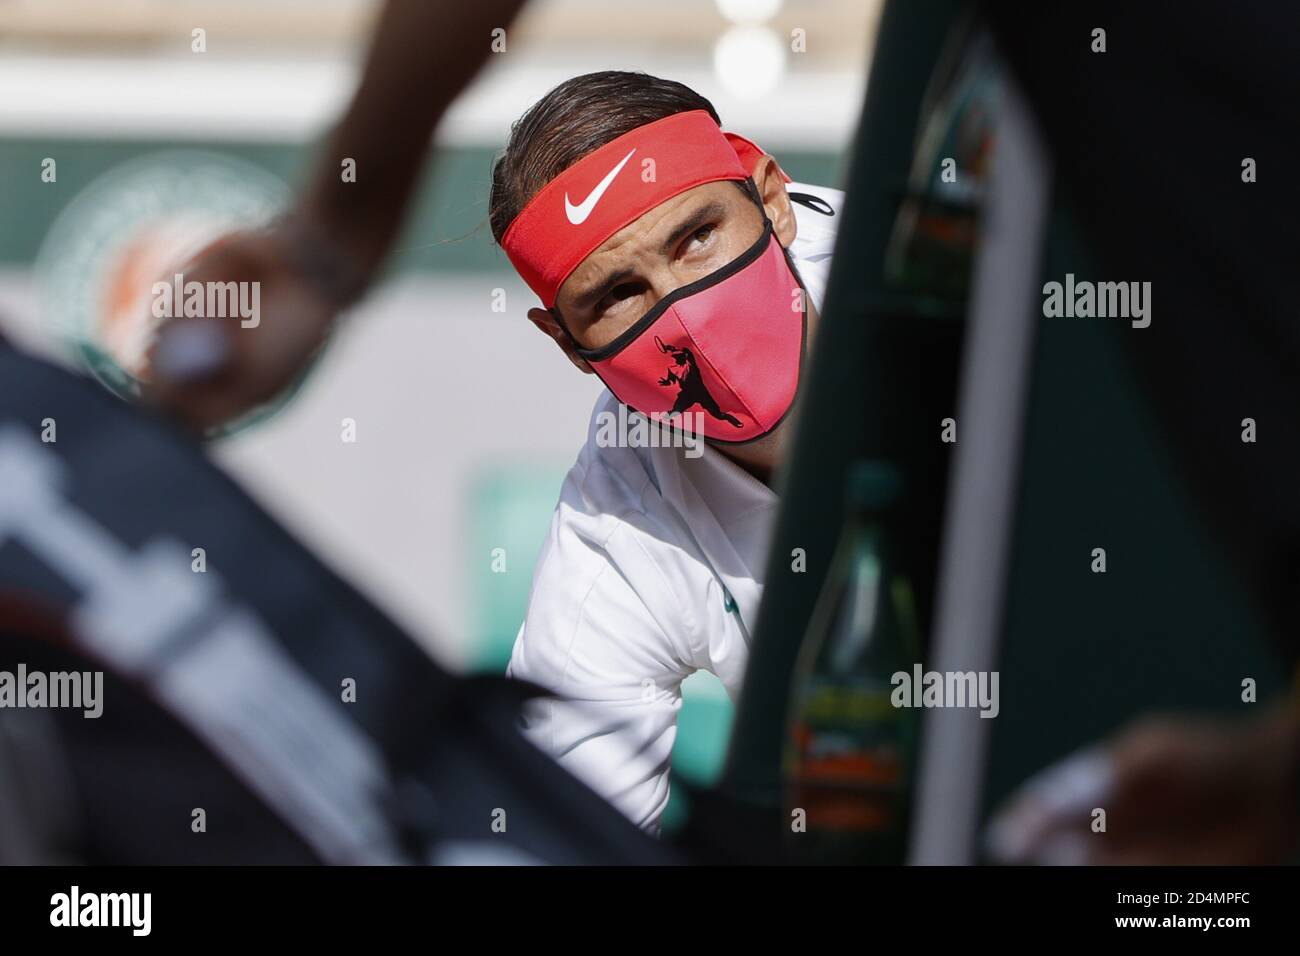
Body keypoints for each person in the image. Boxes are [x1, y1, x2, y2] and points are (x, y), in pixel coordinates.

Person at [489, 71, 843, 833]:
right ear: (568, 344)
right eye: (617, 293)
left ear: (770, 198)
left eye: (697, 238)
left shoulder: (968, 289)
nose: (684, 314)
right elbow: (554, 841)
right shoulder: (617, 526)